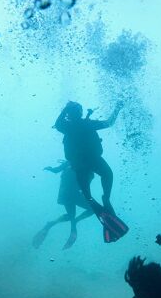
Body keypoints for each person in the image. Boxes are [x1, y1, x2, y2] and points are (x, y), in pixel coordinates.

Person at [53, 100, 128, 242]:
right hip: (85, 163)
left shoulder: (76, 125)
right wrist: (117, 108)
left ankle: (105, 199)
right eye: (73, 111)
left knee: (102, 180)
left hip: (86, 162)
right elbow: (58, 124)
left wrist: (117, 108)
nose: (76, 113)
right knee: (92, 190)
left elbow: (108, 123)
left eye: (77, 110)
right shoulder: (70, 126)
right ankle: (104, 202)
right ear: (70, 114)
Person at [32, 160, 94, 249]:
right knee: (90, 210)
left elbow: (56, 170)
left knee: (70, 215)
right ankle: (74, 224)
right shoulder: (86, 163)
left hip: (66, 193)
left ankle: (51, 224)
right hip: (74, 193)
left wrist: (51, 169)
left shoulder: (70, 161)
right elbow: (85, 183)